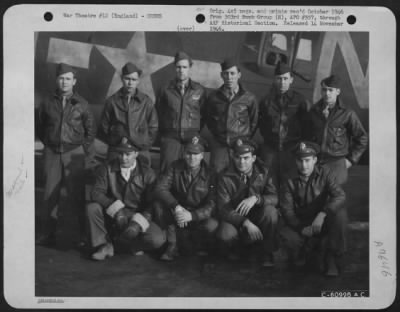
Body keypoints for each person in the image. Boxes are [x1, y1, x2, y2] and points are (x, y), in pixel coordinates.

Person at [36, 63, 95, 246]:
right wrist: (51, 145)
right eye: (61, 78)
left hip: (73, 152)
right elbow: (40, 126)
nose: (64, 82)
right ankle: (47, 234)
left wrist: (80, 150)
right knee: (49, 195)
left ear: (74, 81)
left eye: (68, 79)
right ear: (56, 80)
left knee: (76, 195)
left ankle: (81, 236)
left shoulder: (82, 104)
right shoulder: (47, 102)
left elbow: (90, 131)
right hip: (52, 152)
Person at [85, 137, 165, 261]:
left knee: (157, 239)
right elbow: (96, 192)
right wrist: (116, 208)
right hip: (112, 214)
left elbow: (154, 202)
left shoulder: (147, 173)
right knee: (92, 208)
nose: (123, 158)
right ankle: (103, 245)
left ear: (136, 154)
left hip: (136, 214)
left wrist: (139, 222)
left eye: (128, 154)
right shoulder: (106, 168)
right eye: (120, 154)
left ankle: (124, 246)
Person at [280, 141, 347, 277]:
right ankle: (303, 252)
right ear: (296, 161)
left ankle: (331, 257)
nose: (304, 165)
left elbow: (340, 196)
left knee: (340, 215)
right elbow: (287, 210)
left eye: (307, 160)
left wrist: (323, 214)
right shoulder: (288, 179)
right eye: (300, 161)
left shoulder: (325, 174)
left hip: (321, 222)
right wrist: (300, 227)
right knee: (287, 237)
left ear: (315, 160)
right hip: (300, 223)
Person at [152, 135, 218, 261]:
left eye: (196, 154)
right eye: (188, 153)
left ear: (202, 155)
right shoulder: (174, 167)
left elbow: (212, 204)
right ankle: (172, 244)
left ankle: (198, 245)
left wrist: (192, 215)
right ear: (183, 153)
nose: (192, 158)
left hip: (197, 215)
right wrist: (176, 206)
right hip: (178, 213)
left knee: (212, 225)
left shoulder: (211, 173)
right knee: (159, 204)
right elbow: (160, 188)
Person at [216, 138, 279, 267]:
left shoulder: (265, 172)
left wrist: (257, 198)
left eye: (246, 158)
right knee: (225, 234)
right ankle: (237, 248)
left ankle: (267, 252)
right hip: (236, 219)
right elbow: (223, 209)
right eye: (238, 157)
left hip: (258, 216)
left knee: (271, 212)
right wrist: (245, 222)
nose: (242, 162)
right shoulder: (224, 176)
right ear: (233, 157)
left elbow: (275, 197)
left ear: (254, 158)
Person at [305, 75, 368, 185]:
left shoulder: (347, 113)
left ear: (338, 91)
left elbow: (362, 138)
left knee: (334, 199)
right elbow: (306, 135)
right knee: (313, 197)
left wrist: (350, 160)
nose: (327, 93)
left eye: (331, 90)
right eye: (324, 90)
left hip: (337, 164)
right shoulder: (314, 111)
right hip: (316, 163)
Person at [258, 62, 310, 189]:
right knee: (269, 184)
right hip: (271, 150)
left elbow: (307, 125)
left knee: (291, 185)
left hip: (291, 150)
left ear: (291, 80)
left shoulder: (300, 101)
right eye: (279, 78)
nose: (282, 82)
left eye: (285, 78)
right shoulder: (266, 101)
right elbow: (261, 124)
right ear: (275, 79)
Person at [156, 51, 207, 173]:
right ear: (174, 68)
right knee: (167, 169)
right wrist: (166, 134)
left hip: (191, 137)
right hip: (170, 137)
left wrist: (194, 132)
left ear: (190, 68)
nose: (181, 70)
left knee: (191, 170)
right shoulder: (165, 90)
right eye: (178, 67)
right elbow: (158, 113)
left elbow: (204, 115)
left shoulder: (199, 90)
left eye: (184, 67)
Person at [99, 62, 158, 165]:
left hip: (140, 149)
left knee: (142, 177)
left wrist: (143, 143)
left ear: (138, 81)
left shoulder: (146, 101)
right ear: (122, 79)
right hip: (117, 149)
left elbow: (153, 127)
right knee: (112, 177)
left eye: (133, 80)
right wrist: (116, 141)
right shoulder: (112, 101)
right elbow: (104, 126)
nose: (130, 83)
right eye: (127, 79)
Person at [205, 58, 258, 173]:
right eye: (226, 74)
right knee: (216, 175)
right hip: (220, 145)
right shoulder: (214, 97)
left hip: (240, 145)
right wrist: (219, 135)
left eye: (232, 73)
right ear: (221, 75)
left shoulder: (249, 98)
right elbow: (209, 120)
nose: (229, 77)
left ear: (239, 75)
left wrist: (244, 139)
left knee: (239, 176)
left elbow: (254, 122)